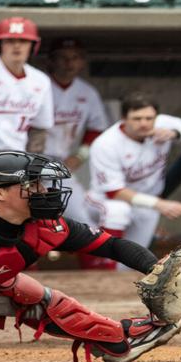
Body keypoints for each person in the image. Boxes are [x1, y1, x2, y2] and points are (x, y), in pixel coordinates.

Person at [0, 151, 181, 362]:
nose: (43, 191)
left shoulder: (46, 227)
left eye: (40, 183)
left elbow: (112, 246)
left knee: (33, 295)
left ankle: (116, 341)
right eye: (30, 185)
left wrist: (154, 268)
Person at [83, 92, 181, 269]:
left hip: (146, 202)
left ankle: (119, 282)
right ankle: (103, 269)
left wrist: (175, 133)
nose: (144, 123)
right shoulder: (107, 143)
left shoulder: (163, 125)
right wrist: (159, 204)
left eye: (149, 118)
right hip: (103, 200)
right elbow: (115, 191)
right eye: (137, 118)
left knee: (135, 257)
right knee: (118, 210)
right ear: (123, 118)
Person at [43, 37, 108, 227]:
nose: (69, 63)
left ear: (82, 62)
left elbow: (97, 129)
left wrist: (79, 156)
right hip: (30, 160)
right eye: (63, 57)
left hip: (61, 163)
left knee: (86, 218)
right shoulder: (39, 85)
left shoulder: (87, 93)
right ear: (50, 61)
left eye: (75, 57)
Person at [0, 18, 52, 157]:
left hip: (19, 156)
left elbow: (39, 129)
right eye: (10, 41)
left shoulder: (40, 80)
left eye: (23, 41)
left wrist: (33, 167)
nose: (17, 46)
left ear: (33, 45)